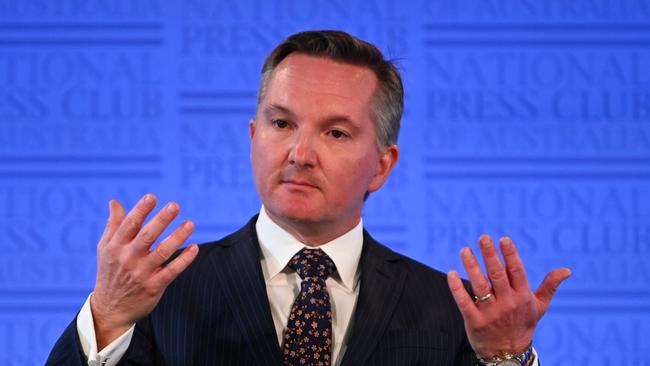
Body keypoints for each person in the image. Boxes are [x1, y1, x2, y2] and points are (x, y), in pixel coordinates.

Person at [46, 30, 570, 366]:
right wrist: (109, 316)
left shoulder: (449, 310)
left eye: (336, 133)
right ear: (254, 137)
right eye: (281, 123)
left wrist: (506, 357)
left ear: (382, 166)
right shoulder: (162, 294)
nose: (299, 152)